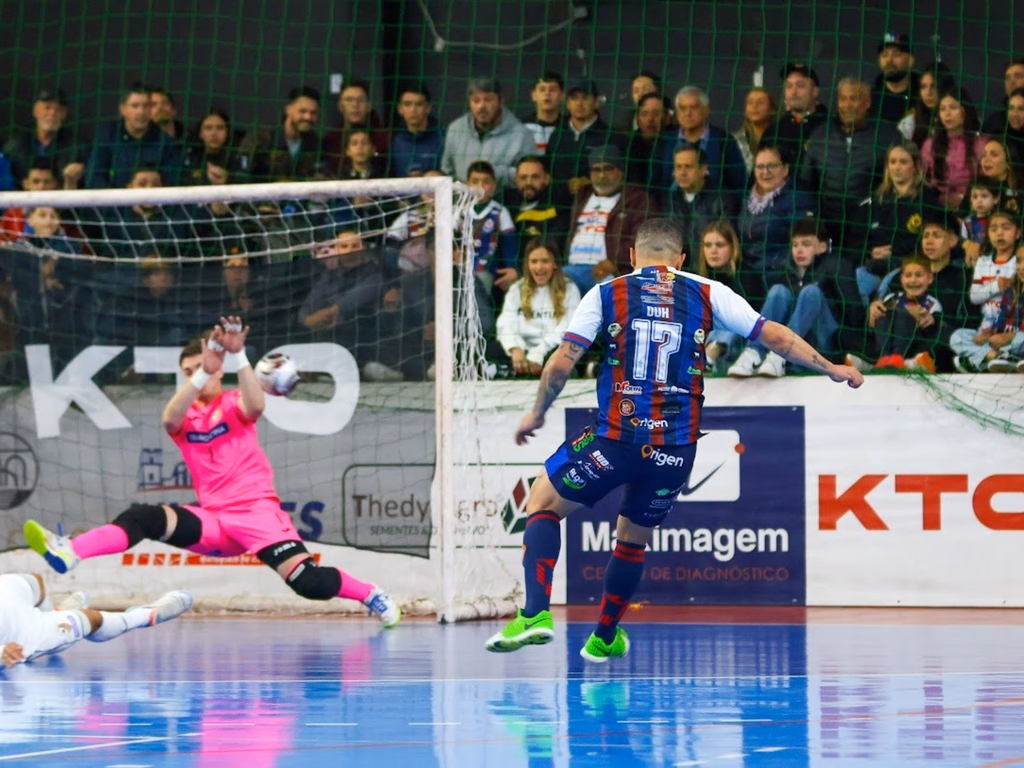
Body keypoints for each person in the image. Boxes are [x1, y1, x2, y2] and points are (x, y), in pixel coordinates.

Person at [483, 218, 863, 661]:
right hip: (676, 451)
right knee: (632, 539)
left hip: (616, 439)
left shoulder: (607, 292)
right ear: (682, 259)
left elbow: (561, 364)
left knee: (543, 503)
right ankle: (605, 635)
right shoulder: (707, 290)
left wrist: (538, 411)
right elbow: (773, 335)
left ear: (631, 256)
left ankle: (534, 614)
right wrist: (831, 368)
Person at [23, 316, 401, 627]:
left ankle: (371, 594)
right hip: (215, 522)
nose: (193, 377)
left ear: (221, 371)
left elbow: (255, 406)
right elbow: (169, 418)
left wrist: (237, 358)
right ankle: (71, 552)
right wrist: (201, 373)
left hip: (256, 514)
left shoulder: (235, 400)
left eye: (198, 369)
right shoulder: (186, 414)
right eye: (187, 372)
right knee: (144, 517)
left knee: (308, 583)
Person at [728, 218, 851, 378]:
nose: (799, 250)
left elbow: (851, 313)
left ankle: (781, 354)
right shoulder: (783, 272)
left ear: (821, 247)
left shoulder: (834, 267)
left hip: (825, 347)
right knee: (778, 291)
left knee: (811, 292)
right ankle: (753, 353)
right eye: (795, 245)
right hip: (795, 349)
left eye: (806, 244)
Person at [0, 572, 192, 669]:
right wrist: (2, 653)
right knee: (91, 619)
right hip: (27, 632)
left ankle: (53, 613)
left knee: (34, 581)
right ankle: (145, 615)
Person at [495, 238, 581, 376]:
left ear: (555, 264)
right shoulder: (517, 288)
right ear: (527, 264)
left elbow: (567, 329)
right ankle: (512, 369)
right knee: (493, 348)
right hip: (521, 351)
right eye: (534, 261)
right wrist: (515, 348)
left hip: (550, 349)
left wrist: (539, 352)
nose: (539, 267)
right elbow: (506, 322)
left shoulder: (570, 289)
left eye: (545, 261)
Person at [440, 77, 535, 185]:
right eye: (476, 101)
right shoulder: (456, 129)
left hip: (503, 199)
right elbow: (447, 170)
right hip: (464, 199)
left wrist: (493, 172)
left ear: (501, 101)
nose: (482, 106)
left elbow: (529, 175)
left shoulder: (522, 134)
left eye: (488, 100)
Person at [86, 82, 182, 189]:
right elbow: (94, 180)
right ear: (123, 109)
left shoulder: (165, 142)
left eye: (146, 106)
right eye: (135, 106)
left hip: (154, 204)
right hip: (115, 203)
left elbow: (172, 184)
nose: (141, 112)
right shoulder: (107, 138)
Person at [869, 255, 943, 372]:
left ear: (930, 278)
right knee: (883, 314)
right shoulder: (892, 298)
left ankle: (898, 358)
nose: (913, 280)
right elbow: (877, 323)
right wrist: (873, 314)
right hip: (886, 344)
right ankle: (885, 358)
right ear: (902, 278)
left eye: (918, 275)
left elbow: (933, 332)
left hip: (913, 345)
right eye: (908, 275)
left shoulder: (932, 304)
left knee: (903, 314)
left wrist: (920, 319)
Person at [951, 253, 1024, 372]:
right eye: (1019, 261)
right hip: (1002, 344)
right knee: (958, 336)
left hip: (1018, 343)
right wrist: (990, 333)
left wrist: (1011, 336)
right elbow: (1001, 318)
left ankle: (981, 362)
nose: (1022, 266)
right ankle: (996, 357)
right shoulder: (1012, 290)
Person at [238, 86, 324, 182]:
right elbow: (241, 173)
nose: (308, 117)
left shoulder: (314, 141)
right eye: (302, 111)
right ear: (288, 109)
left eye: (313, 113)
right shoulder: (262, 136)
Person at [921, 88, 987, 210]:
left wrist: (964, 199)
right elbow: (926, 182)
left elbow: (986, 182)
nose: (947, 113)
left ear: (964, 110)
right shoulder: (929, 146)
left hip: (973, 206)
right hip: (937, 208)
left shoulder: (981, 144)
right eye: (942, 109)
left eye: (953, 107)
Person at [766, 62, 828, 171]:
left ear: (815, 91)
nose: (793, 92)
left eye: (800, 85)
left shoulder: (830, 127)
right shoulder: (774, 130)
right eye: (789, 86)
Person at [389, 84, 444, 178]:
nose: (413, 110)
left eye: (418, 104)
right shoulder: (394, 142)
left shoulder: (443, 138)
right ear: (400, 109)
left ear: (428, 108)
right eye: (407, 104)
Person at [897, 62, 956, 146]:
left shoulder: (960, 119)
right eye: (923, 87)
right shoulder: (910, 123)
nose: (928, 93)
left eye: (934, 86)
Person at [869, 32, 920, 124]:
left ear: (911, 60)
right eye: (884, 55)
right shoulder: (870, 100)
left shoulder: (924, 97)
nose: (889, 60)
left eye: (897, 54)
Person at [732, 87, 776, 175]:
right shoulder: (733, 140)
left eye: (760, 103)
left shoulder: (782, 138)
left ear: (772, 109)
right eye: (750, 103)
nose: (754, 106)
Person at [521, 72, 565, 155]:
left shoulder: (570, 129)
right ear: (534, 95)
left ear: (562, 95)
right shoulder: (520, 128)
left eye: (553, 90)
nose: (547, 93)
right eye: (542, 89)